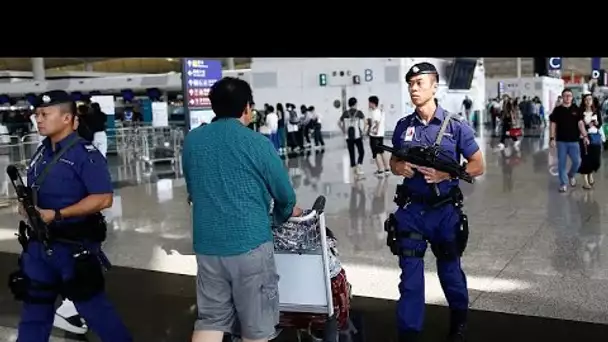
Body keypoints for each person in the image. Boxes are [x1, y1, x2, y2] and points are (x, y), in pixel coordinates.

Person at [182, 77, 303, 342]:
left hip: (208, 246)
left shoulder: (192, 141)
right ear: (247, 108)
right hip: (249, 244)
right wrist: (281, 215)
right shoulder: (257, 143)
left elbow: (193, 191)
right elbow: (285, 195)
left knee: (211, 319)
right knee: (256, 326)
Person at [11, 90, 132, 341]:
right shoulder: (41, 152)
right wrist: (29, 206)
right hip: (39, 246)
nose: (39, 119)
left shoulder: (84, 154)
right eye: (37, 114)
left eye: (45, 114)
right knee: (34, 308)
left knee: (95, 310)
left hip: (73, 248)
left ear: (67, 118)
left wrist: (56, 214)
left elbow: (103, 198)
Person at [388, 62, 485, 342]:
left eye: (420, 83)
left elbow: (478, 164)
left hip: (445, 213)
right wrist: (397, 167)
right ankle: (409, 333)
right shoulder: (403, 126)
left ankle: (459, 321)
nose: (414, 89)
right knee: (410, 280)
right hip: (411, 211)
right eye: (410, 84)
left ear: (434, 86)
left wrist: (447, 173)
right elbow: (394, 158)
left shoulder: (455, 126)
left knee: (451, 272)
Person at [549, 88, 589, 193]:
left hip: (574, 141)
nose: (567, 97)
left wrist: (585, 136)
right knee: (562, 163)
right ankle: (563, 184)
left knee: (577, 161)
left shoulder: (576, 109)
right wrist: (552, 138)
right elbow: (553, 124)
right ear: (562, 97)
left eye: (569, 96)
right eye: (565, 95)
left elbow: (581, 124)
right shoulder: (557, 110)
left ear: (572, 97)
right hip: (561, 141)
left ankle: (571, 175)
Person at [577, 93, 602, 189]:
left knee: (595, 160)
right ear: (583, 101)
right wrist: (588, 125)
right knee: (586, 159)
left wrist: (596, 124)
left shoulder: (596, 111)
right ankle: (585, 182)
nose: (588, 101)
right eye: (586, 99)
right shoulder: (580, 112)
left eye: (590, 99)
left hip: (595, 137)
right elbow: (579, 126)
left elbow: (600, 124)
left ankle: (590, 174)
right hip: (584, 138)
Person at [339, 97, 366, 178]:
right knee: (361, 152)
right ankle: (359, 166)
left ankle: (354, 170)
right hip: (357, 136)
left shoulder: (345, 113)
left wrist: (343, 130)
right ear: (355, 104)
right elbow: (365, 122)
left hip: (348, 136)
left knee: (351, 153)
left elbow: (338, 122)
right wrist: (363, 131)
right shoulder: (359, 112)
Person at [368, 95, 390, 176]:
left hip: (375, 135)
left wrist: (374, 131)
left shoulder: (375, 112)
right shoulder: (380, 111)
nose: (368, 104)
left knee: (376, 152)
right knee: (381, 151)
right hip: (380, 135)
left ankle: (380, 170)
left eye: (369, 102)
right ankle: (387, 168)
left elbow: (376, 123)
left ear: (372, 103)